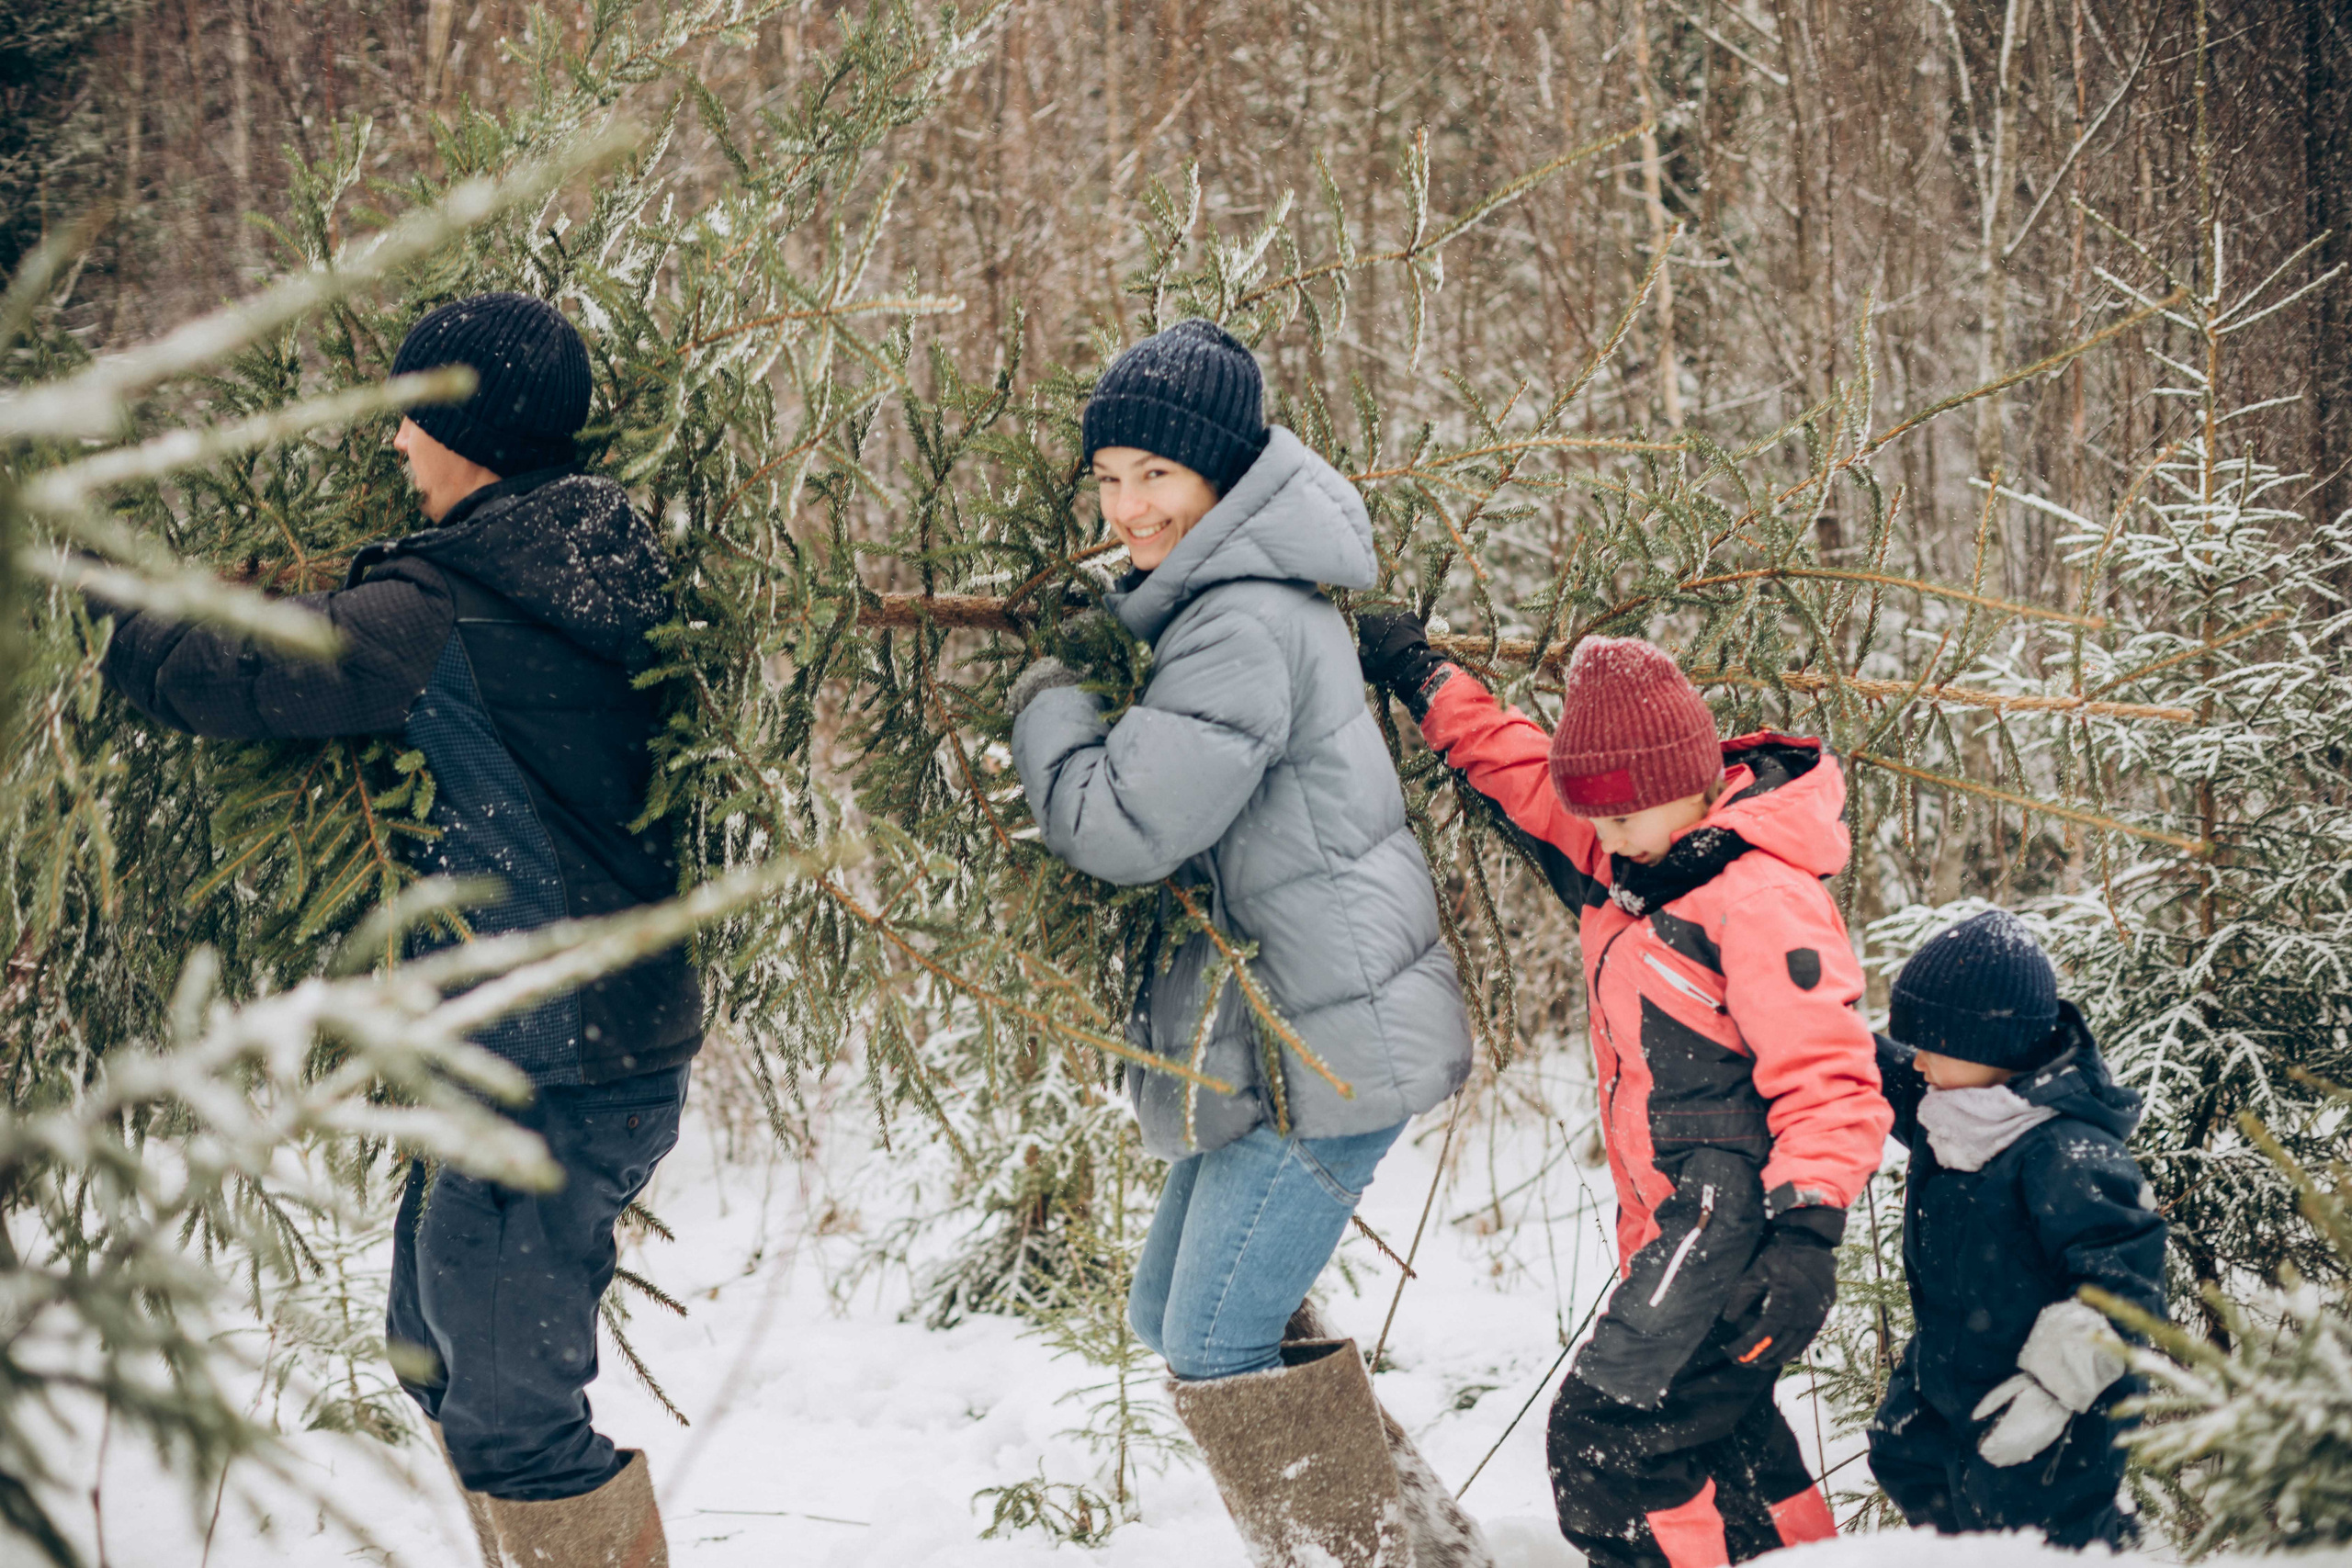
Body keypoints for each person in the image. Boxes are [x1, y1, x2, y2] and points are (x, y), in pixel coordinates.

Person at [91, 292, 696, 1567]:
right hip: (555, 1049)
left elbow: (252, 666)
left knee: (509, 1414)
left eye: (406, 419)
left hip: (548, 1060)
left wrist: (118, 611)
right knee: (433, 1343)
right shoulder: (585, 561)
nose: (392, 447)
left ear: (458, 426)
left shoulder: (446, 609)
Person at [1006, 319, 1484, 1568]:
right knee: (1177, 1308)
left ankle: (1364, 1556)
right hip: (1298, 1031)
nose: (1126, 506)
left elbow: (1118, 824)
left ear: (1222, 476)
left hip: (1327, 1051)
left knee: (1215, 1337)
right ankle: (1428, 1551)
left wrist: (1052, 683)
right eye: (1108, 476)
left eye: (1156, 474)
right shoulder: (1223, 601)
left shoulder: (1238, 624)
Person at [1356, 617, 1891, 1568]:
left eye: (1623, 820)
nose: (1606, 841)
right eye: (1594, 819)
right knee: (1721, 1445)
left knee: (1607, 1443)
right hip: (1670, 1224)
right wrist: (1420, 673)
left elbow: (1830, 1073)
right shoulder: (1630, 857)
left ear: (1692, 782)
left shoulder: (1756, 896)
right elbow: (1517, 767)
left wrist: (1808, 1233)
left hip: (1730, 1224)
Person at [1867, 908, 2165, 1551]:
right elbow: (1876, 1068)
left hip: (2047, 1414)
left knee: (2046, 1540)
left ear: (1988, 1047)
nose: (1916, 1060)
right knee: (1929, 1491)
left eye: (1931, 1044)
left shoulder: (2065, 1152)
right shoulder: (1954, 1106)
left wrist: (2053, 1390)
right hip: (1950, 1391)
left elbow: (2124, 1288)